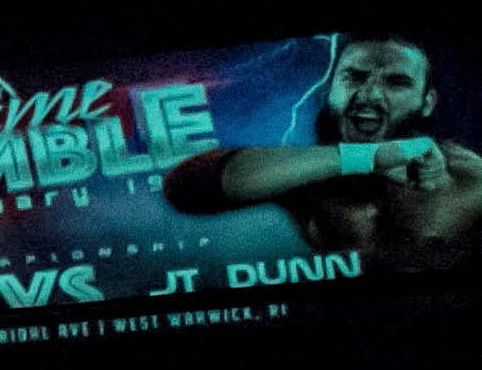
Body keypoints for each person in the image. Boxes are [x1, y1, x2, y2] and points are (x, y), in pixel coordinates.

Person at [160, 31, 478, 277]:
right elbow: (184, 187)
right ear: (330, 91)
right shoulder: (310, 176)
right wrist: (367, 158)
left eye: (396, 83)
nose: (369, 95)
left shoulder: (469, 175)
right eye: (355, 77)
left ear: (427, 102)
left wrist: (444, 186)